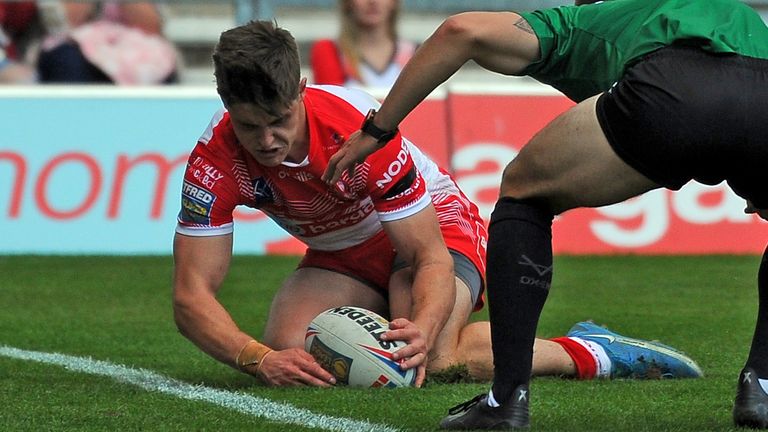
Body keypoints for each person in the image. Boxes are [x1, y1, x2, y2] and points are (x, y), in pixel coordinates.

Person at [172, 20, 703, 389]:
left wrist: (424, 330)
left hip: (438, 233)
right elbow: (191, 295)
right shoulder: (212, 162)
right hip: (341, 256)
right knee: (294, 349)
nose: (266, 141)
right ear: (225, 109)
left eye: (279, 122)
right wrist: (259, 359)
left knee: (436, 358)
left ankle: (589, 351)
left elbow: (427, 257)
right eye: (249, 126)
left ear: (301, 90)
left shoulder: (355, 127)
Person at [321, 0, 768, 428]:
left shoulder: (583, 23)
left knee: (523, 192)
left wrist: (377, 130)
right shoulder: (731, 16)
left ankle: (506, 399)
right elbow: (733, 98)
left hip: (671, 89)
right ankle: (761, 384)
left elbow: (461, 30)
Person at [36, 1, 178, 84]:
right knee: (65, 58)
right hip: (80, 46)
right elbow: (67, 23)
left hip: (138, 48)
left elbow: (150, 26)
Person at [310, 0, 416, 89]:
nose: (372, 2)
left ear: (394, 2)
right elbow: (329, 105)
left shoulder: (414, 54)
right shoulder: (329, 51)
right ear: (347, 2)